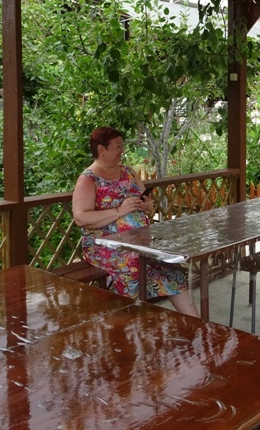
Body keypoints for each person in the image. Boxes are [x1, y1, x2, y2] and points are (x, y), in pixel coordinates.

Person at [72, 126, 200, 317]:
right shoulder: (88, 179)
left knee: (170, 266)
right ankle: (130, 322)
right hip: (106, 246)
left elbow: (148, 204)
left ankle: (196, 324)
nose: (122, 150)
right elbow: (81, 218)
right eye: (117, 147)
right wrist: (119, 211)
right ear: (101, 149)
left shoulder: (128, 171)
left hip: (140, 242)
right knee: (134, 266)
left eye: (121, 146)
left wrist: (147, 206)